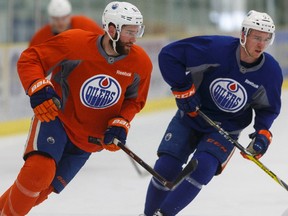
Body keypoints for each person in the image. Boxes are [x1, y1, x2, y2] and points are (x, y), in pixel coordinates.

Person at [0, 1, 152, 215]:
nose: (135, 38)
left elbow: (134, 101)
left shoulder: (141, 63)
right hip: (57, 118)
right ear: (111, 29)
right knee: (39, 172)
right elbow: (31, 58)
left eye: (138, 32)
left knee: (42, 190)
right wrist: (38, 87)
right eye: (129, 32)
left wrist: (121, 122)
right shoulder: (75, 42)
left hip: (88, 140)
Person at [143, 10, 282, 216]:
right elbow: (169, 55)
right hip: (191, 116)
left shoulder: (270, 71)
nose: (261, 45)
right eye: (256, 38)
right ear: (243, 35)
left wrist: (263, 132)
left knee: (203, 167)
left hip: (226, 127)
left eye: (266, 39)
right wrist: (182, 88)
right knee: (166, 167)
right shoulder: (215, 49)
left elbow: (267, 108)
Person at [29, 0, 104, 47]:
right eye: (56, 19)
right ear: (50, 18)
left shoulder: (85, 25)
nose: (60, 22)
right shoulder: (40, 37)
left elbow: (104, 42)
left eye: (63, 18)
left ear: (69, 16)